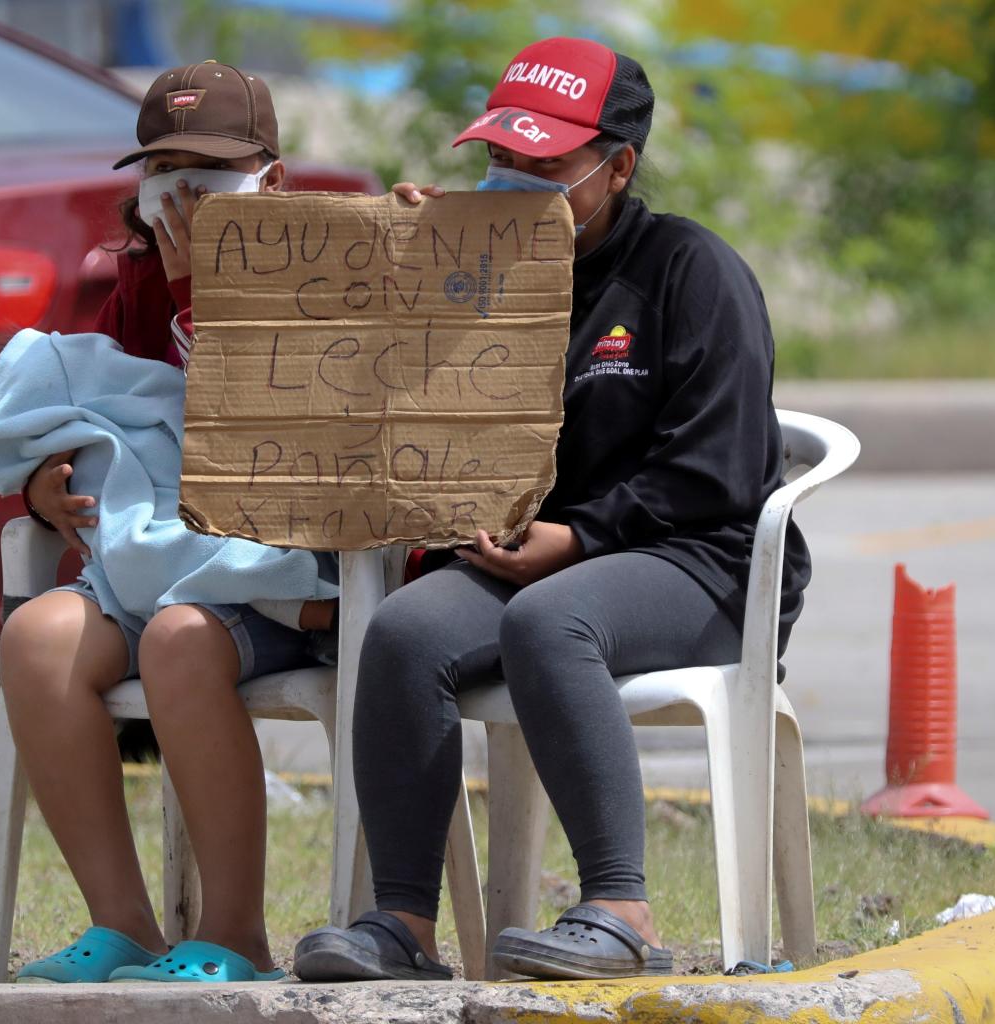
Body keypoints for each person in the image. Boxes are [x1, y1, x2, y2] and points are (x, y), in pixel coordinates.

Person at [292, 37, 809, 982]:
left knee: (549, 618)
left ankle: (623, 908)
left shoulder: (691, 272)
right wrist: (412, 274)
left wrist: (581, 538)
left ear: (618, 167)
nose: (516, 180)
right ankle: (401, 925)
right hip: (528, 554)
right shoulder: (474, 269)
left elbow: (721, 472)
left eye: (547, 163)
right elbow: (391, 412)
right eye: (502, 159)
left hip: (699, 561)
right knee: (404, 635)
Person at [0, 61, 332, 985]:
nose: (180, 197)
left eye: (206, 175)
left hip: (274, 580)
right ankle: (122, 922)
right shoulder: (133, 286)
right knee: (38, 640)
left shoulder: (328, 276)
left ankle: (236, 931)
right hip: (149, 556)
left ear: (271, 181)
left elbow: (290, 437)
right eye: (163, 174)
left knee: (178, 641)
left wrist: (211, 300)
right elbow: (104, 417)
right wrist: (43, 491)